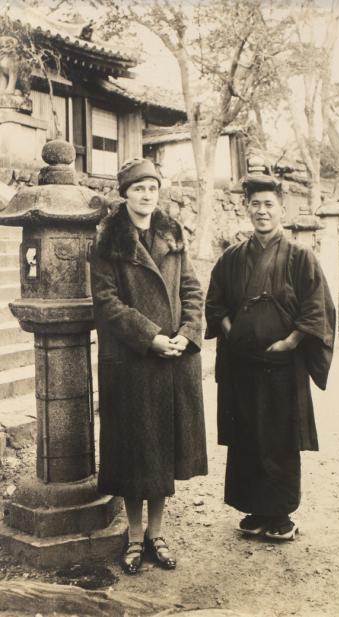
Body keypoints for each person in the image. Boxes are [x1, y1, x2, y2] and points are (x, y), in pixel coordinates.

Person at [90, 157, 207, 575]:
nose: (146, 195)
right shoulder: (109, 239)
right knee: (135, 452)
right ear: (124, 193)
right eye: (138, 188)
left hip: (172, 359)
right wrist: (150, 336)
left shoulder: (172, 233)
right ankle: (135, 537)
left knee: (163, 453)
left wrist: (187, 333)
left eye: (152, 188)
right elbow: (106, 302)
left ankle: (158, 534)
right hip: (132, 361)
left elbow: (192, 289)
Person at [205, 172, 335, 541]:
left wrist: (291, 342)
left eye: (268, 205)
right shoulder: (231, 257)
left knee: (279, 437)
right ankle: (253, 509)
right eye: (255, 205)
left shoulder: (299, 256)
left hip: (282, 365)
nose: (262, 212)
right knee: (247, 435)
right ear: (246, 208)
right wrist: (235, 336)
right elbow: (215, 305)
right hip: (243, 364)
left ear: (281, 209)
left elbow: (316, 307)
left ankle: (280, 514)